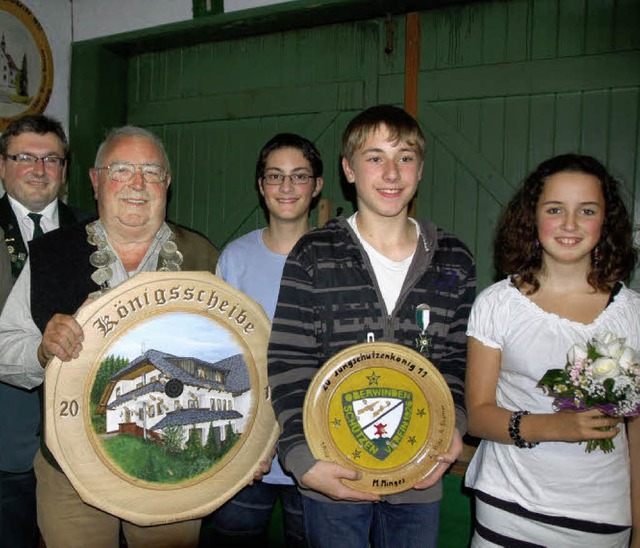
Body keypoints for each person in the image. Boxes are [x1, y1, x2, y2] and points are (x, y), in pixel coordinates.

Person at [0, 126, 220, 547]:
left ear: (167, 184)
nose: (137, 184)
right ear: (95, 180)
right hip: (70, 471)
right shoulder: (51, 254)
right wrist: (42, 348)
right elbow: (6, 346)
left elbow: (237, 356)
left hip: (173, 468)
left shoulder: (202, 256)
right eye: (121, 170)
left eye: (151, 172)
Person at [267, 105, 476, 548]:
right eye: (374, 157)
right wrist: (303, 460)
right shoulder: (313, 253)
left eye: (404, 157)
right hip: (334, 473)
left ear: (420, 168)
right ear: (348, 168)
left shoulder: (454, 258)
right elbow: (288, 361)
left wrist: (452, 426)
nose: (391, 173)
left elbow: (458, 359)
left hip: (420, 473)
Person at [465, 154, 639, 546]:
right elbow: (477, 416)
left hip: (601, 518)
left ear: (606, 221)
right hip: (507, 509)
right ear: (532, 217)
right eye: (555, 209)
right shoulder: (497, 304)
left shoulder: (633, 315)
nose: (570, 224)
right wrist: (557, 428)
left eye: (587, 210)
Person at [208, 133, 324, 547]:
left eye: (299, 176)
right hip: (244, 454)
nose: (287, 187)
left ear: (318, 185)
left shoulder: (338, 260)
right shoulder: (234, 259)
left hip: (315, 452)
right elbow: (219, 355)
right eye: (275, 176)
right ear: (261, 186)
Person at [0, 114, 89, 548]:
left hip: (80, 440)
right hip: (5, 437)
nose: (39, 169)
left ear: (65, 169)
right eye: (25, 158)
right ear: (2, 166)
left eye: (51, 159)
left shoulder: (94, 233)